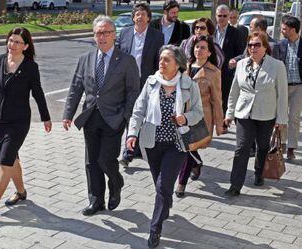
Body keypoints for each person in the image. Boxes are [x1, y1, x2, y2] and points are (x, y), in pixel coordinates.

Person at [62, 15, 140, 216]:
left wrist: (127, 116)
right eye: (98, 33)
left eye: (106, 32)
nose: (102, 36)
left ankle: (116, 181)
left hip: (114, 118)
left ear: (114, 35)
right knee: (91, 161)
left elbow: (133, 91)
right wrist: (68, 114)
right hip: (90, 116)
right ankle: (96, 200)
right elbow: (76, 88)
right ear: (93, 36)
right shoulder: (85, 59)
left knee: (106, 159)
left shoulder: (127, 61)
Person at [126, 45, 203, 248]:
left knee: (163, 186)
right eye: (160, 59)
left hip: (177, 145)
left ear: (177, 64)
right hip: (152, 143)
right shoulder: (152, 83)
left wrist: (184, 118)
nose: (162, 62)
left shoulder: (188, 85)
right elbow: (138, 110)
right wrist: (132, 133)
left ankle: (155, 229)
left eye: (167, 59)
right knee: (161, 187)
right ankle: (165, 207)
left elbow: (198, 113)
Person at [0, 27, 52, 220]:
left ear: (26, 46)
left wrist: (46, 117)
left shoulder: (30, 67)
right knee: (13, 159)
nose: (12, 45)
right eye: (10, 40)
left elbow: (37, 93)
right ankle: (21, 192)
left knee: (5, 161)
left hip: (19, 121)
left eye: (17, 42)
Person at [224, 32, 288, 195]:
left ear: (265, 47)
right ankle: (235, 185)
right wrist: (229, 113)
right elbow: (234, 91)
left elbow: (282, 95)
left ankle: (259, 173)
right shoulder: (241, 64)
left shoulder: (277, 66)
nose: (253, 48)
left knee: (263, 147)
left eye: (257, 45)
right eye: (250, 45)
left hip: (266, 114)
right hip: (244, 113)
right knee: (242, 148)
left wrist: (281, 119)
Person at [175, 35, 224, 198]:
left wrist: (219, 124)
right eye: (197, 47)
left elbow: (217, 99)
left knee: (188, 148)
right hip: (183, 115)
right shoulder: (184, 67)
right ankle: (197, 162)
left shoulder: (214, 72)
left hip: (202, 118)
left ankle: (181, 183)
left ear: (210, 52)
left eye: (203, 47)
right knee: (185, 147)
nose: (199, 50)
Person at [116, 3, 164, 168]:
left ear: (148, 18)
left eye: (143, 14)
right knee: (129, 114)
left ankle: (134, 150)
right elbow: (117, 55)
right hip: (126, 83)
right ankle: (129, 151)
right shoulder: (124, 33)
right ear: (133, 17)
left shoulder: (157, 36)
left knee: (141, 116)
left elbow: (159, 61)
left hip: (146, 82)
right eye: (137, 14)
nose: (140, 17)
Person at [273, 15, 302, 159]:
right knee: (281, 117)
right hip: (282, 87)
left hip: (299, 88)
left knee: (294, 117)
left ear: (293, 30)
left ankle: (292, 147)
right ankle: (282, 144)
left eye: (284, 29)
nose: (282, 31)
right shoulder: (279, 45)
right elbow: (273, 67)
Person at [214, 4, 245, 113]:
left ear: (228, 17)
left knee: (225, 101)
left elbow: (242, 53)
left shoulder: (236, 33)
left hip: (227, 73)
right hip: (212, 72)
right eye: (219, 15)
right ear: (215, 16)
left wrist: (235, 60)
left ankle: (223, 123)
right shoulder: (210, 32)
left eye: (224, 16)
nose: (222, 18)